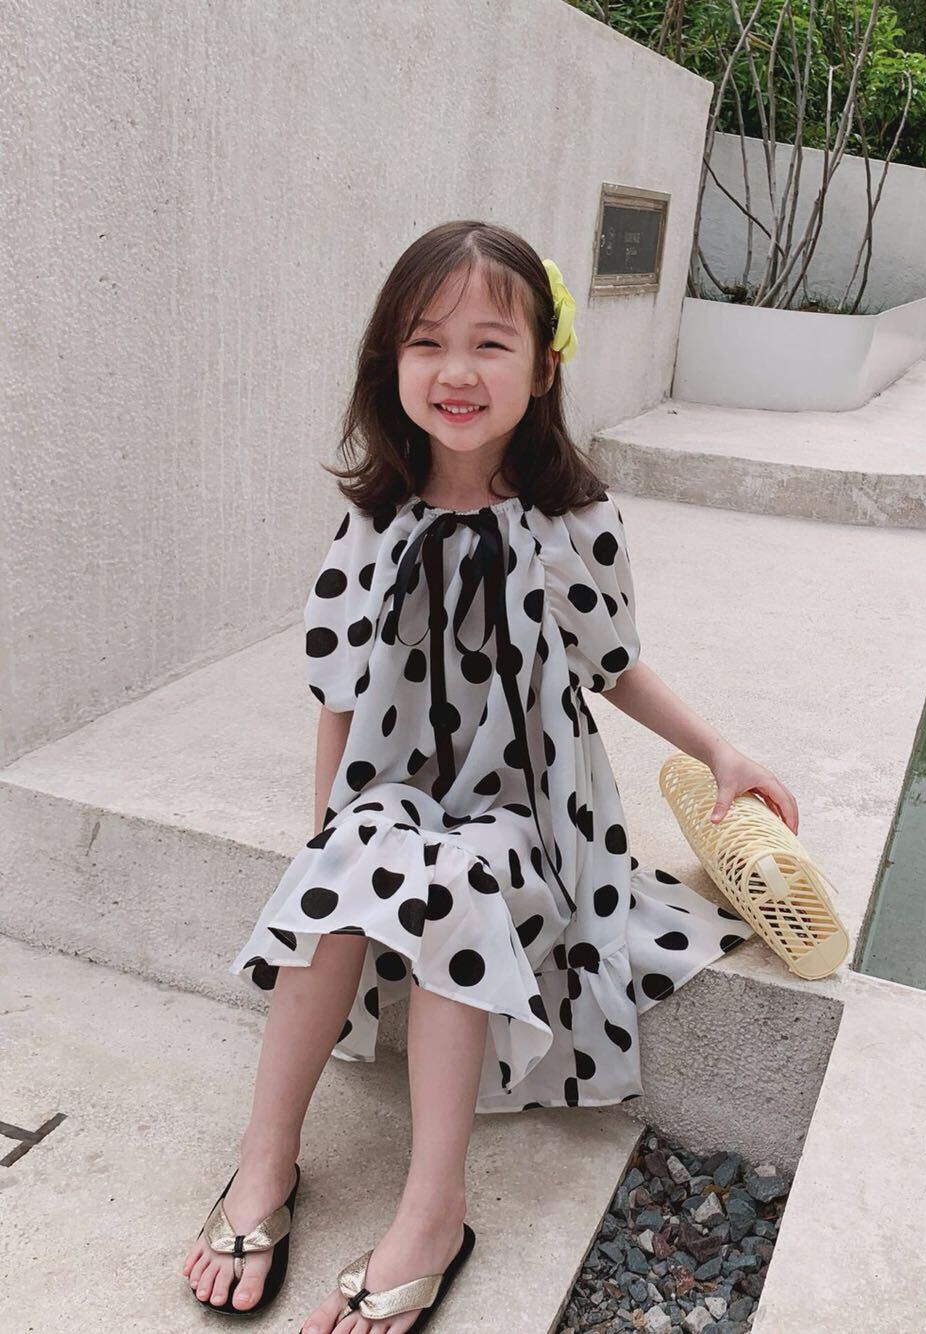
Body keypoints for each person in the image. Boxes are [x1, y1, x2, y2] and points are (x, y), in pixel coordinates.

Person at [180, 219, 799, 1333]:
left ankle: (433, 1211)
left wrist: (716, 749)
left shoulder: (574, 522)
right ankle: (264, 1160)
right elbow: (336, 687)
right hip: (394, 792)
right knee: (347, 860)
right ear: (390, 363)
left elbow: (612, 664)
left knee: (460, 880)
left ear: (543, 368)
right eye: (427, 342)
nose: (456, 371)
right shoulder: (372, 520)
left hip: (527, 812)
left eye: (490, 343)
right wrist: (323, 841)